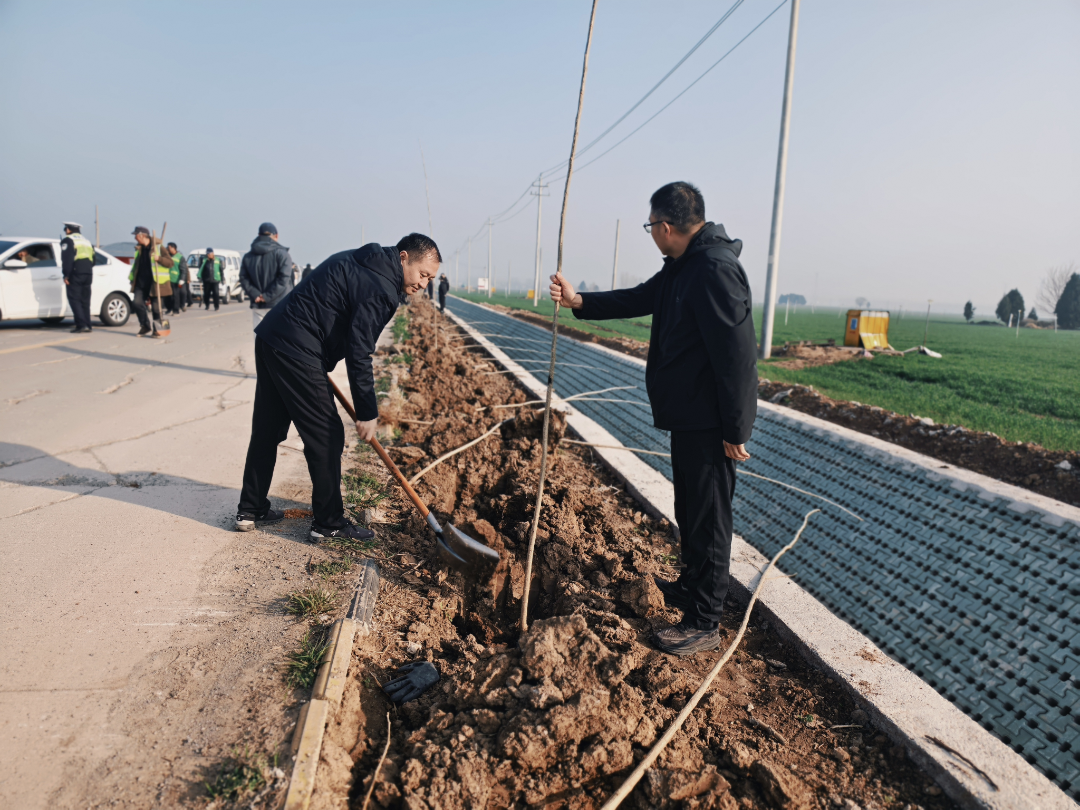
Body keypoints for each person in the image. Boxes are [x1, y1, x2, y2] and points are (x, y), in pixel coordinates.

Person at [549, 182, 758, 657]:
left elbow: (737, 356)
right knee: (690, 510)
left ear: (665, 227)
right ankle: (690, 587)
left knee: (710, 518)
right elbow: (639, 298)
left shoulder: (715, 269)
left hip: (710, 423)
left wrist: (736, 428)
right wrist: (580, 301)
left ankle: (704, 621)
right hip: (688, 416)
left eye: (650, 226)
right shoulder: (684, 266)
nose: (651, 234)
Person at [236, 233, 441, 542]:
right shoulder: (383, 289)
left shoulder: (361, 259)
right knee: (327, 435)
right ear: (403, 258)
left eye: (430, 279)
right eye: (422, 274)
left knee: (268, 429)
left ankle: (250, 509)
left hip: (271, 337)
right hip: (297, 347)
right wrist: (367, 412)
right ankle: (328, 522)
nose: (424, 283)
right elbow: (360, 353)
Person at [240, 222, 294, 329]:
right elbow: (284, 278)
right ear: (276, 236)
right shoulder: (283, 254)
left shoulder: (248, 256)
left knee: (259, 336)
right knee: (279, 336)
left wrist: (256, 294)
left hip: (258, 304)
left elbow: (244, 278)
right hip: (279, 304)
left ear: (259, 235)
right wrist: (267, 296)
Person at [129, 226, 173, 337]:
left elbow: (170, 263)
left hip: (155, 283)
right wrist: (132, 279)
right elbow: (136, 266)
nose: (134, 238)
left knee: (156, 308)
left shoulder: (158, 247)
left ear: (141, 235)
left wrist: (160, 259)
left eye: (135, 235)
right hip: (141, 282)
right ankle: (145, 326)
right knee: (137, 303)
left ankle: (157, 330)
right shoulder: (139, 249)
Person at [60, 222, 95, 333]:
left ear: (68, 230)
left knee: (75, 299)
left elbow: (67, 259)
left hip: (76, 273)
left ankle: (81, 325)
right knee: (85, 301)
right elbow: (94, 259)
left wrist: (66, 275)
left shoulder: (68, 240)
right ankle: (88, 325)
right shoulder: (87, 241)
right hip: (88, 273)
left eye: (65, 229)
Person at [166, 243, 190, 314]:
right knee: (169, 296)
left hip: (177, 280)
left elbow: (184, 269)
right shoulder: (167, 256)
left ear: (174, 248)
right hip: (168, 279)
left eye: (169, 248)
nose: (168, 249)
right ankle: (170, 308)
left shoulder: (180, 257)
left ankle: (179, 307)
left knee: (180, 294)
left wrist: (182, 279)